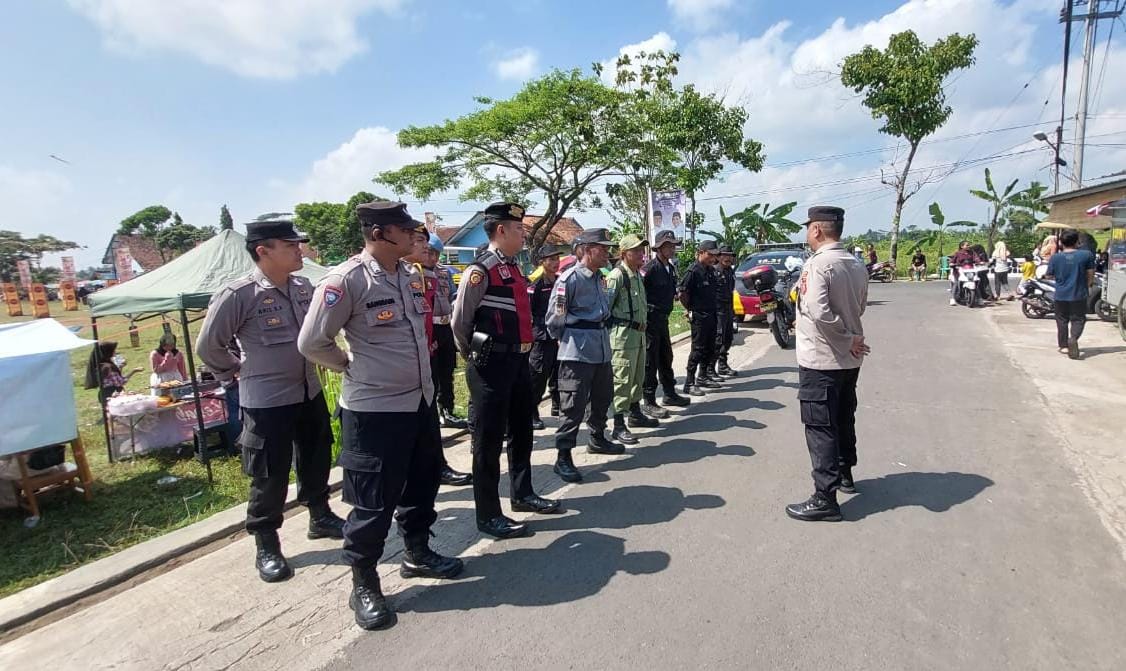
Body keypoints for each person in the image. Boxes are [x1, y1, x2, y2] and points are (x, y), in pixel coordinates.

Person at [298, 201, 463, 630]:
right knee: (372, 502)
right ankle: (365, 584)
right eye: (405, 230)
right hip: (374, 411)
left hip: (419, 403)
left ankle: (417, 552)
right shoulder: (346, 280)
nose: (414, 236)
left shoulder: (410, 276)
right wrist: (350, 365)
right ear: (378, 233)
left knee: (422, 484)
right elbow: (313, 341)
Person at [197, 219, 345, 584]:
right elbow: (208, 346)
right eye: (290, 245)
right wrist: (234, 371)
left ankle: (320, 515)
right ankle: (266, 542)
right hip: (266, 400)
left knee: (316, 454)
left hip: (307, 390)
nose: (299, 250)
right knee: (270, 472)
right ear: (263, 251)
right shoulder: (239, 294)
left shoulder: (302, 287)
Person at [452, 202, 563, 540]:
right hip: (490, 365)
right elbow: (460, 321)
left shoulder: (514, 268)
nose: (523, 234)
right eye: (518, 229)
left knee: (521, 431)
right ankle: (488, 515)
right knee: (487, 442)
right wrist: (473, 354)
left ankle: (522, 493)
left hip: (518, 363)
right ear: (501, 230)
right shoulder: (480, 270)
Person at [785, 206, 869, 523]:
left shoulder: (818, 264)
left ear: (818, 230)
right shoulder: (855, 263)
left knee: (820, 426)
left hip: (821, 359)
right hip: (849, 360)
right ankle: (845, 473)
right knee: (844, 416)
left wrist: (845, 337)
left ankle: (825, 497)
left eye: (808, 228)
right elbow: (859, 305)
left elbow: (818, 312)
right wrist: (851, 337)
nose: (807, 234)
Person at [547, 228, 622, 483]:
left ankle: (597, 438)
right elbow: (554, 320)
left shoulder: (600, 277)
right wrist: (565, 342)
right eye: (603, 249)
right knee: (573, 405)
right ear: (588, 250)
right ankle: (563, 457)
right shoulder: (569, 279)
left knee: (602, 398)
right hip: (577, 352)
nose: (607, 253)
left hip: (600, 348)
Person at [409, 234, 472, 488]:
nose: (429, 254)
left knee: (445, 375)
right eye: (423, 247)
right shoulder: (408, 275)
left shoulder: (439, 274)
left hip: (440, 331)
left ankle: (437, 463)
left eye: (432, 251)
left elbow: (452, 298)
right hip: (411, 353)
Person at [606, 234, 659, 446]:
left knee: (638, 376)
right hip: (623, 337)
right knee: (622, 380)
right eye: (636, 250)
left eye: (642, 250)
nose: (641, 254)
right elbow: (605, 309)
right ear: (624, 253)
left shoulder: (637, 274)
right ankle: (618, 425)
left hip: (638, 335)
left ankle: (635, 414)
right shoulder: (617, 276)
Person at [420, 234, 470, 433]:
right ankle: (431, 413)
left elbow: (452, 294)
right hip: (427, 328)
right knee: (431, 373)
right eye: (430, 253)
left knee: (447, 369)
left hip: (445, 326)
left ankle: (447, 410)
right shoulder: (415, 273)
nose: (433, 258)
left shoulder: (443, 272)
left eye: (437, 254)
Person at [641, 230, 690, 415]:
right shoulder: (650, 268)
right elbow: (641, 292)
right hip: (650, 320)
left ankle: (669, 393)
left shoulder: (670, 267)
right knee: (650, 361)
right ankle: (649, 400)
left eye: (672, 245)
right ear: (659, 248)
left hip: (663, 320)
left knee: (666, 357)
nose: (671, 249)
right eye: (668, 246)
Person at [678, 240, 722, 396]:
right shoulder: (693, 271)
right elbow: (682, 293)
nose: (712, 258)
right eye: (710, 255)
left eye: (714, 255)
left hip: (711, 313)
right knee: (697, 348)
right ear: (701, 253)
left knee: (710, 347)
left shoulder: (710, 270)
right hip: (699, 315)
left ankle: (703, 376)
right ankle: (689, 383)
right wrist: (690, 309)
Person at [1046, 228, 1096, 360]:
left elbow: (1049, 275)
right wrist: (1089, 285)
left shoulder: (1055, 258)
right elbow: (1091, 273)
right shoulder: (1086, 255)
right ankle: (1073, 338)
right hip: (1079, 293)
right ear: (1077, 242)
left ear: (1061, 242)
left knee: (1061, 319)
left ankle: (1063, 346)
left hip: (1061, 294)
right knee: (1078, 319)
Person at [528, 245, 563, 430]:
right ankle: (531, 412)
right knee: (538, 375)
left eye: (557, 259)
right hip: (541, 336)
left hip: (557, 334)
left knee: (558, 372)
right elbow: (529, 313)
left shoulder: (559, 281)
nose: (555, 263)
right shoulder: (535, 284)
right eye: (551, 259)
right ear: (543, 262)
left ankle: (557, 405)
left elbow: (561, 307)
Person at [84, 340, 143, 409]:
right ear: (107, 352)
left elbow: (114, 379)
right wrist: (134, 371)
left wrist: (120, 368)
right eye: (113, 350)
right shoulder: (108, 367)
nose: (115, 351)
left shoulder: (100, 365)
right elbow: (120, 382)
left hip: (104, 395)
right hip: (114, 395)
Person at [713, 246, 738, 378]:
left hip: (728, 309)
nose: (727, 258)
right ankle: (710, 369)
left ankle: (722, 365)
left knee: (728, 338)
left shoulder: (729, 271)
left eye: (730, 255)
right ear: (718, 256)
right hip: (718, 310)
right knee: (718, 339)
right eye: (724, 255)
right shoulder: (714, 271)